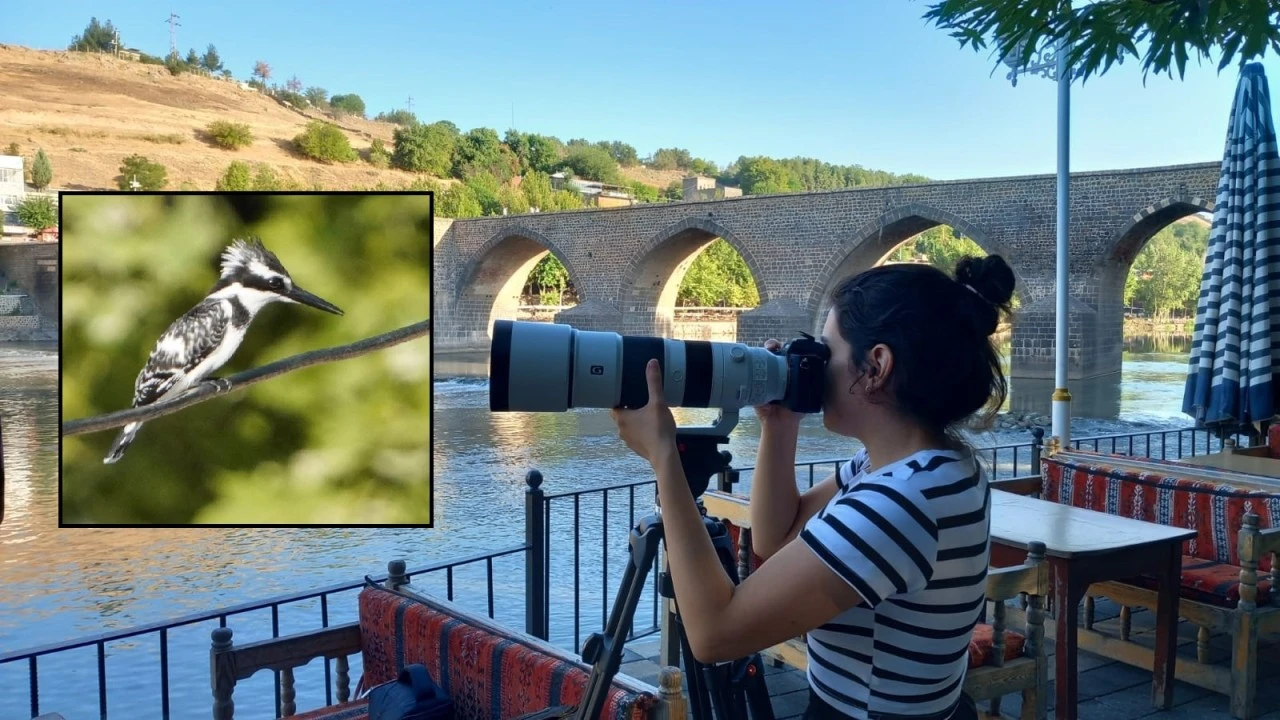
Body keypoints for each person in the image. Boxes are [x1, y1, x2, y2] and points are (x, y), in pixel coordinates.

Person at [610, 254, 1017, 720]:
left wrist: (664, 458)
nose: (815, 367)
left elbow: (713, 634)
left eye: (826, 352)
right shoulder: (923, 466)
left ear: (876, 366)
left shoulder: (900, 503)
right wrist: (780, 424)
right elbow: (775, 537)